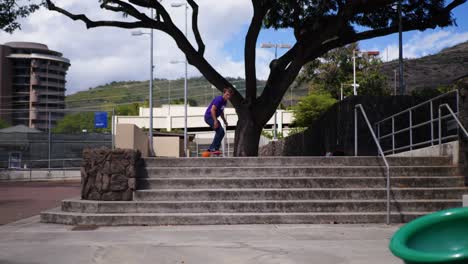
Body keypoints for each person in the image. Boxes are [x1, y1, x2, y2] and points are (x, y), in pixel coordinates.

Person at [204, 87, 234, 153]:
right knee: (220, 130)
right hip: (209, 117)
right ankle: (213, 148)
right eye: (227, 94)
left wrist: (224, 121)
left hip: (213, 117)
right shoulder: (219, 99)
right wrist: (215, 121)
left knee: (222, 132)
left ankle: (213, 148)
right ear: (224, 93)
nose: (228, 97)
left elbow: (221, 112)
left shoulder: (225, 102)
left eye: (230, 95)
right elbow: (212, 110)